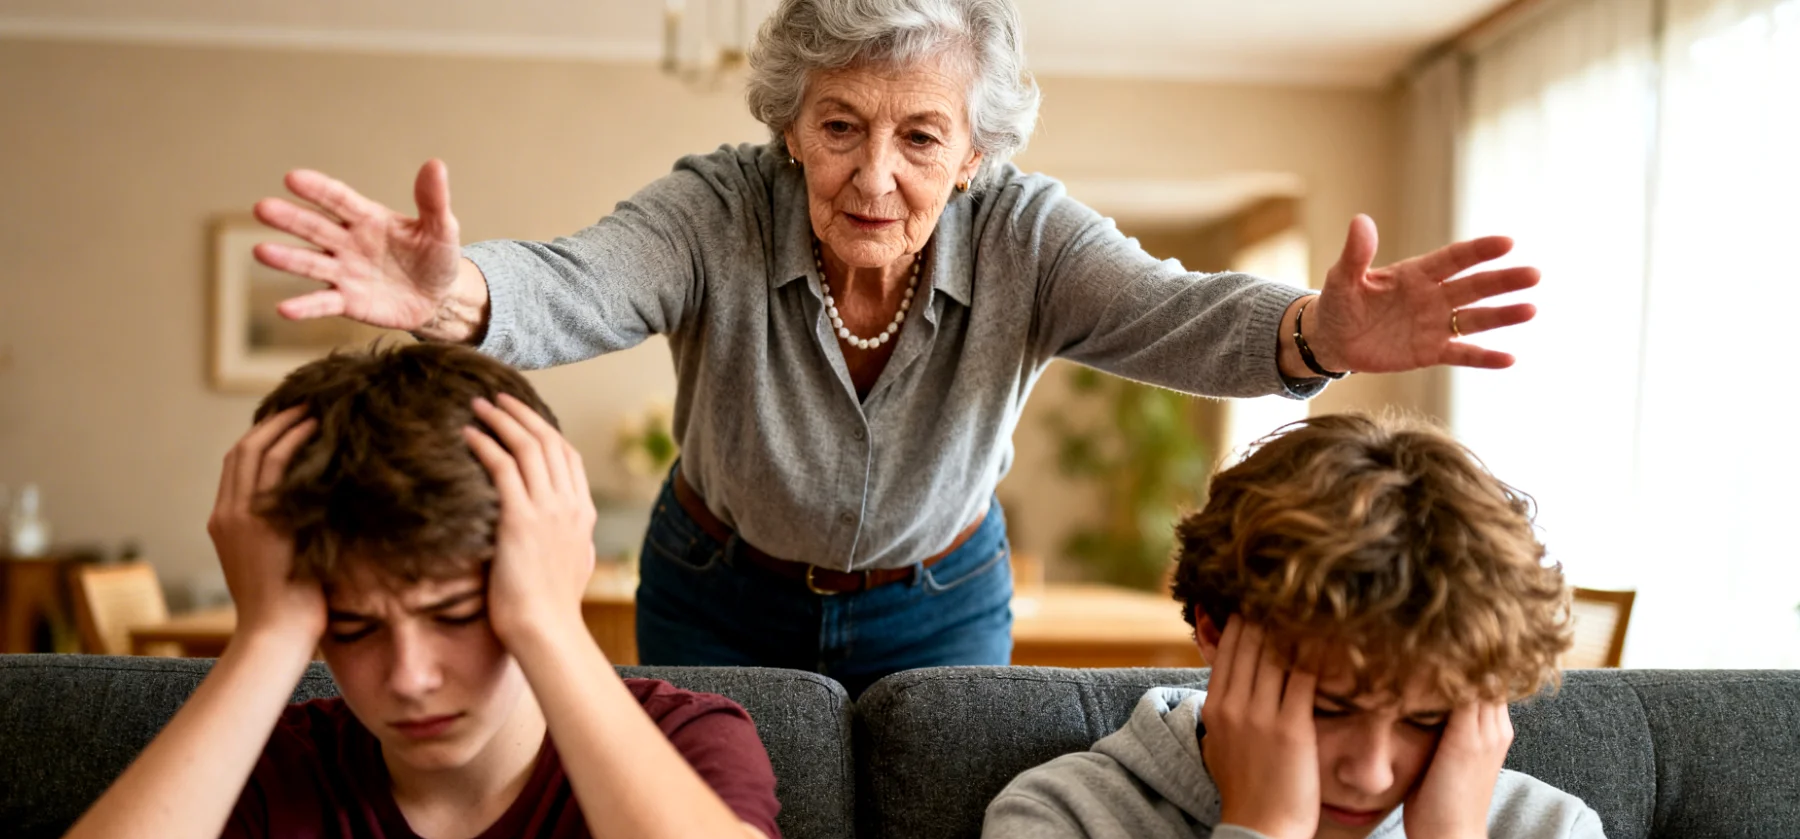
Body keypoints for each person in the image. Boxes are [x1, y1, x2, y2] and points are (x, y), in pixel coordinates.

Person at [247, 0, 1544, 693]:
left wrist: (1316, 331)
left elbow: (1173, 309)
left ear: (974, 153)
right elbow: (582, 280)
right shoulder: (716, 207)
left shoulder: (1028, 235)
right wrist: (459, 292)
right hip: (717, 589)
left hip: (942, 601)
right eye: (839, 127)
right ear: (789, 127)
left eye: (920, 136)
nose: (874, 175)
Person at [0, 343, 873, 839]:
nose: (410, 677)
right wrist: (268, 634)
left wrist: (547, 621)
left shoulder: (687, 735)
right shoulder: (268, 770)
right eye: (355, 628)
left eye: (455, 614)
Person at [968, 413, 1660, 839]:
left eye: (1425, 719)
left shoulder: (1549, 838)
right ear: (1213, 629)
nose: (1370, 772)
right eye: (1329, 708)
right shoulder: (1065, 820)